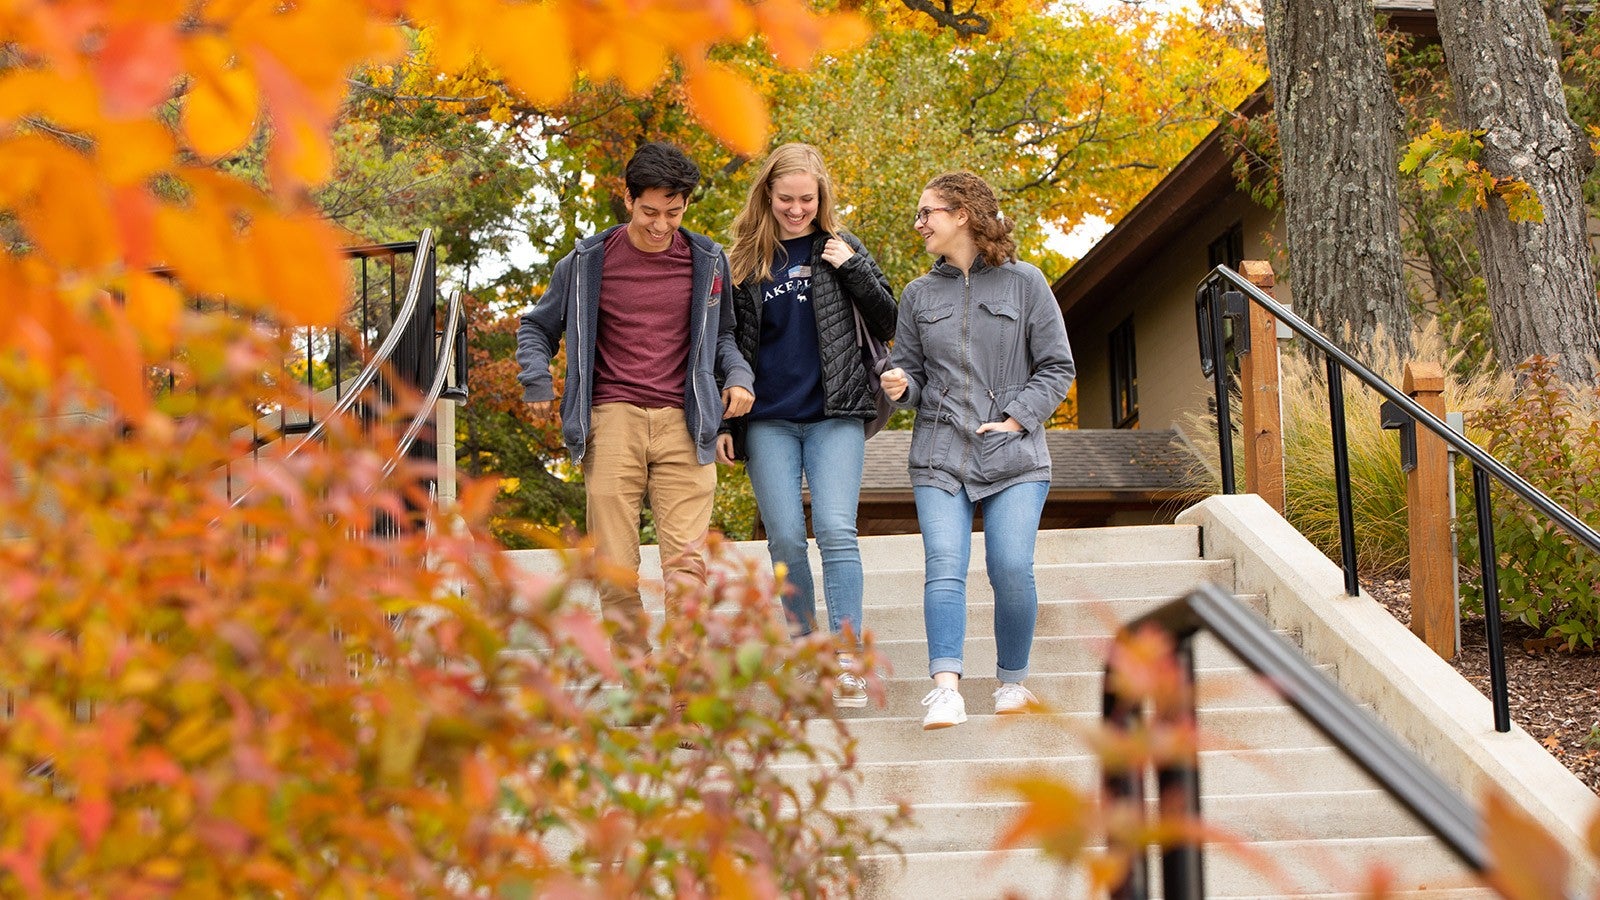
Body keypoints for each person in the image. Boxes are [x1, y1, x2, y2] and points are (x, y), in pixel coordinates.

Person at [517, 142, 756, 658]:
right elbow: (537, 327)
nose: (660, 224)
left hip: (686, 424)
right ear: (629, 200)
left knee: (687, 567)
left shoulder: (707, 260)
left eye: (673, 212)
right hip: (612, 419)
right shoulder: (585, 263)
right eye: (650, 211)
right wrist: (537, 381)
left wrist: (738, 375)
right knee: (616, 567)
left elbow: (724, 337)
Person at [879, 172, 1075, 730]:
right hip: (940, 453)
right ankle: (946, 689)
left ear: (962, 214)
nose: (919, 224)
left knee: (1010, 566)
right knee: (944, 566)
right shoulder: (918, 295)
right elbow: (912, 374)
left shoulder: (1026, 283)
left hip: (1014, 454)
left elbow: (1057, 366)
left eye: (927, 213)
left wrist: (1018, 418)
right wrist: (901, 385)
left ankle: (1012, 682)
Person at [713, 143, 898, 708]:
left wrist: (855, 268)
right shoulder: (742, 258)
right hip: (767, 419)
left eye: (807, 200)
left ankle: (847, 659)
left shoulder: (841, 248)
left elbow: (888, 319)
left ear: (822, 199)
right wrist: (727, 423)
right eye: (787, 199)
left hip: (833, 413)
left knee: (838, 531)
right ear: (768, 195)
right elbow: (727, 342)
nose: (797, 209)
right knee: (787, 538)